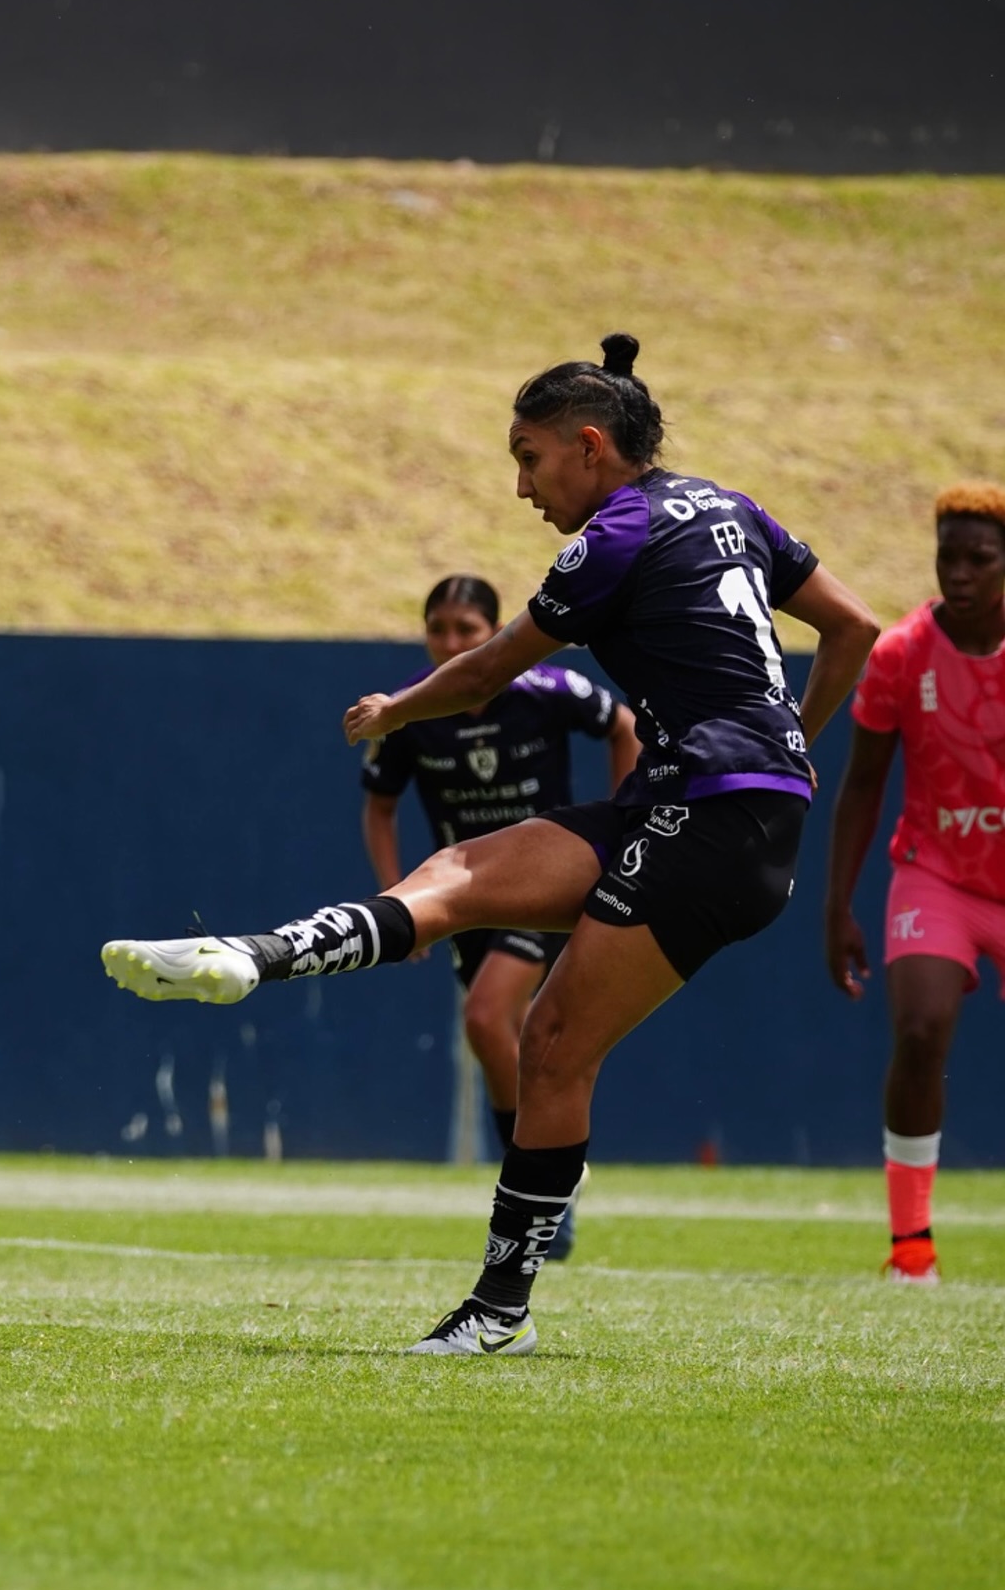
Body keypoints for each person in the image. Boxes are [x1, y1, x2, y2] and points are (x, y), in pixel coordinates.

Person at [104, 333, 879, 1356]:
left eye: (528, 456)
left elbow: (483, 673)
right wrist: (794, 748)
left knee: (551, 1045)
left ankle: (499, 1308)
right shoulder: (735, 506)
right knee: (458, 875)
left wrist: (391, 711)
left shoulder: (612, 537)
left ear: (590, 446)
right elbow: (854, 627)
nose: (521, 484)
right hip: (699, 801)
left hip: (713, 817)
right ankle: (249, 957)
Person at [362, 572, 638, 1257]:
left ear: (495, 634)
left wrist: (629, 819)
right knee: (512, 1042)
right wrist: (399, 895)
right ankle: (552, 1177)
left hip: (541, 885)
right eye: (439, 629)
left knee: (486, 1017)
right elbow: (379, 806)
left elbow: (624, 725)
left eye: (468, 630)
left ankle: (539, 1184)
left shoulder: (545, 689)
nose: (451, 642)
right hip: (466, 895)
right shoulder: (414, 713)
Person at [824, 483, 1005, 1284]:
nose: (959, 573)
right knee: (922, 1031)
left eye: (980, 558)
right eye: (948, 557)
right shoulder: (900, 653)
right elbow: (861, 784)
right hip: (936, 874)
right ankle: (911, 1247)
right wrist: (837, 906)